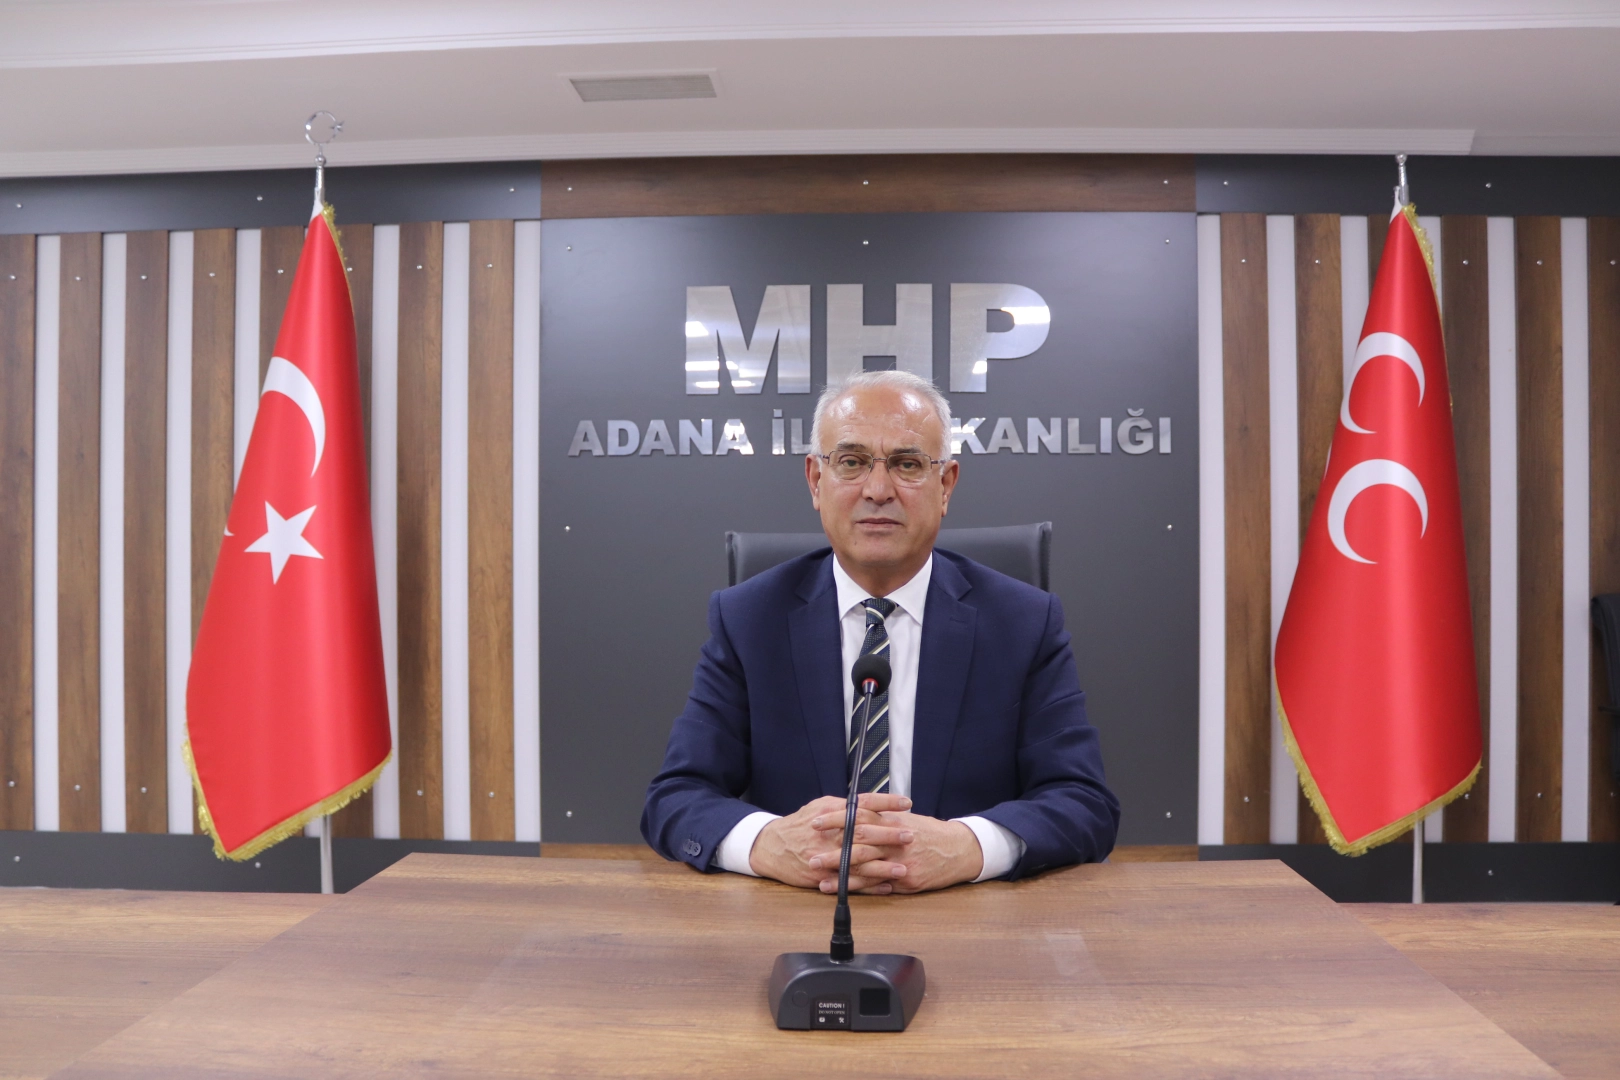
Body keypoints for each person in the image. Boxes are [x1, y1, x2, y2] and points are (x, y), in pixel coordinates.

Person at [641, 370, 1118, 893]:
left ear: (946, 485)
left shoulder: (1023, 622)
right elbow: (677, 797)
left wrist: (968, 846)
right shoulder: (749, 618)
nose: (877, 490)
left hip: (966, 914)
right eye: (851, 462)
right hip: (796, 914)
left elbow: (1083, 802)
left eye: (907, 464)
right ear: (815, 480)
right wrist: (767, 843)